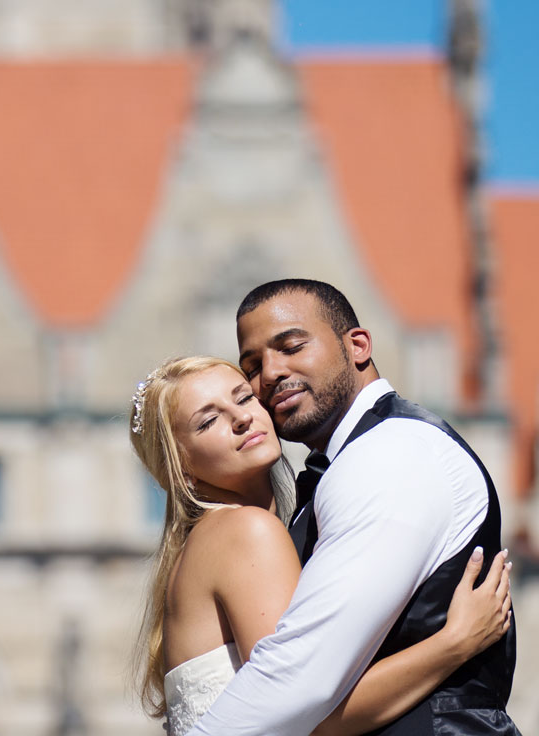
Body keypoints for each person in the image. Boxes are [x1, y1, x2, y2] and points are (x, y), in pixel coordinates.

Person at [178, 279, 519, 735]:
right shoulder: (335, 471)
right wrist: (452, 644)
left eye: (292, 346)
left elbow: (301, 676)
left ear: (357, 346)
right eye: (253, 365)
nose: (271, 373)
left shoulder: (392, 452)